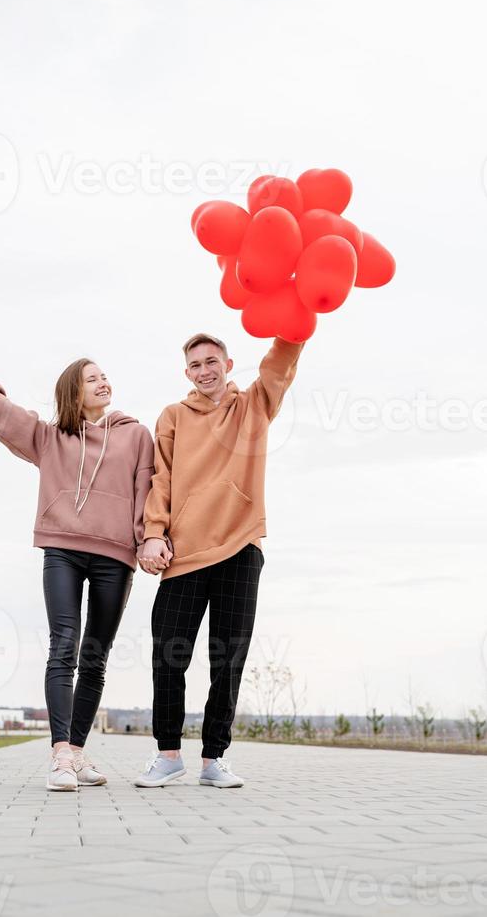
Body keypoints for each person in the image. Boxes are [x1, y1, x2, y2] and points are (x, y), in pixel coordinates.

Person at [0, 358, 155, 792]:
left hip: (115, 555)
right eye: (92, 378)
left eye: (105, 375)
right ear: (73, 391)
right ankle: (61, 754)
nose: (104, 381)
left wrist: (145, 542)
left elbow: (147, 490)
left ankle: (80, 753)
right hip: (62, 549)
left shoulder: (137, 435)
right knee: (63, 644)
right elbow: (8, 417)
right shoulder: (51, 437)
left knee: (96, 656)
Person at [133, 333, 304, 788]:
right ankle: (168, 755)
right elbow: (160, 479)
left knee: (227, 658)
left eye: (212, 361)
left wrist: (295, 327)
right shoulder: (172, 416)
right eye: (195, 365)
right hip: (184, 553)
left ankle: (214, 760)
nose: (204, 370)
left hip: (240, 548)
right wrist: (153, 534)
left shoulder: (253, 407)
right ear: (186, 372)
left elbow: (278, 366)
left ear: (228, 363)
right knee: (169, 655)